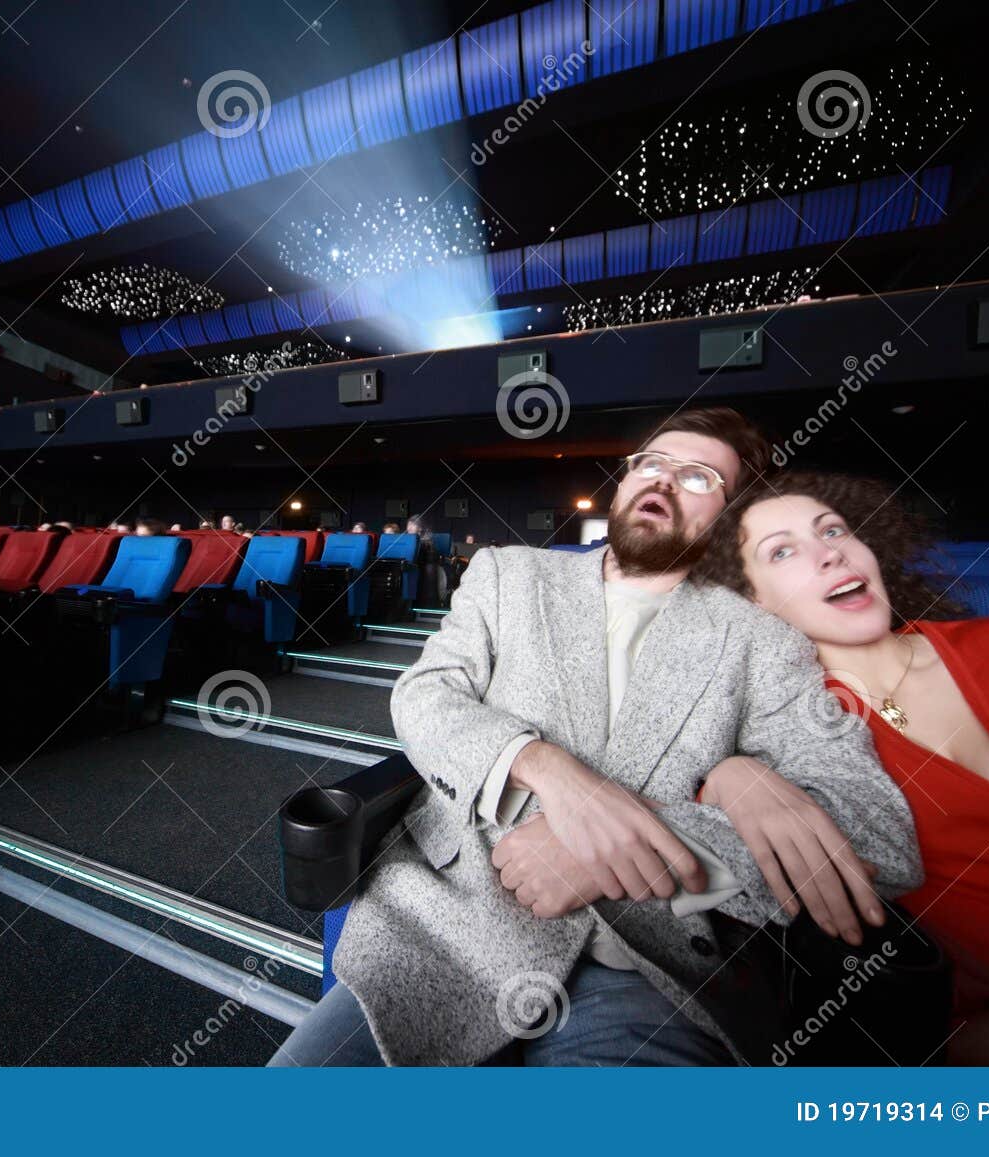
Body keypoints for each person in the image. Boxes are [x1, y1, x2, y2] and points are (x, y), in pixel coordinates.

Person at [270, 409, 922, 1068]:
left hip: (645, 968)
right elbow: (423, 696)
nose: (662, 483)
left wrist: (634, 842)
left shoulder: (763, 641)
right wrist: (546, 768)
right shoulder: (507, 574)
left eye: (697, 478)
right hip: (449, 928)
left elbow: (877, 835)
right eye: (651, 464)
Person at [693, 471, 989, 1065]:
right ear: (750, 602)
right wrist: (728, 773)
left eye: (835, 530)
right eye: (783, 551)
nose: (830, 553)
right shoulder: (777, 741)